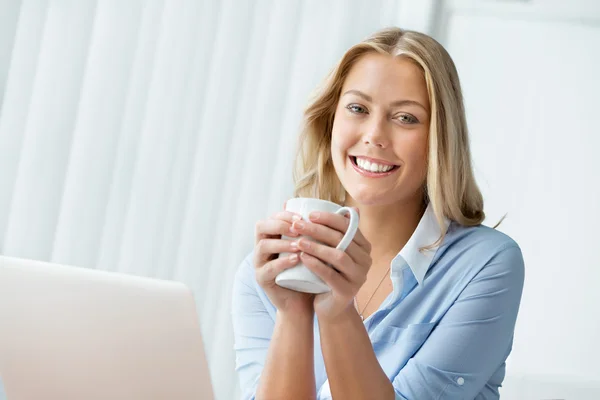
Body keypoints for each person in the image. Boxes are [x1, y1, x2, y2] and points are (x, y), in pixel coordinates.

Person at [231, 27, 525, 400]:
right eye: (358, 109)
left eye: (405, 118)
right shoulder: (265, 275)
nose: (374, 135)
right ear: (331, 120)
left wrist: (338, 315)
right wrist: (293, 314)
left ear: (440, 140)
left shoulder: (485, 264)